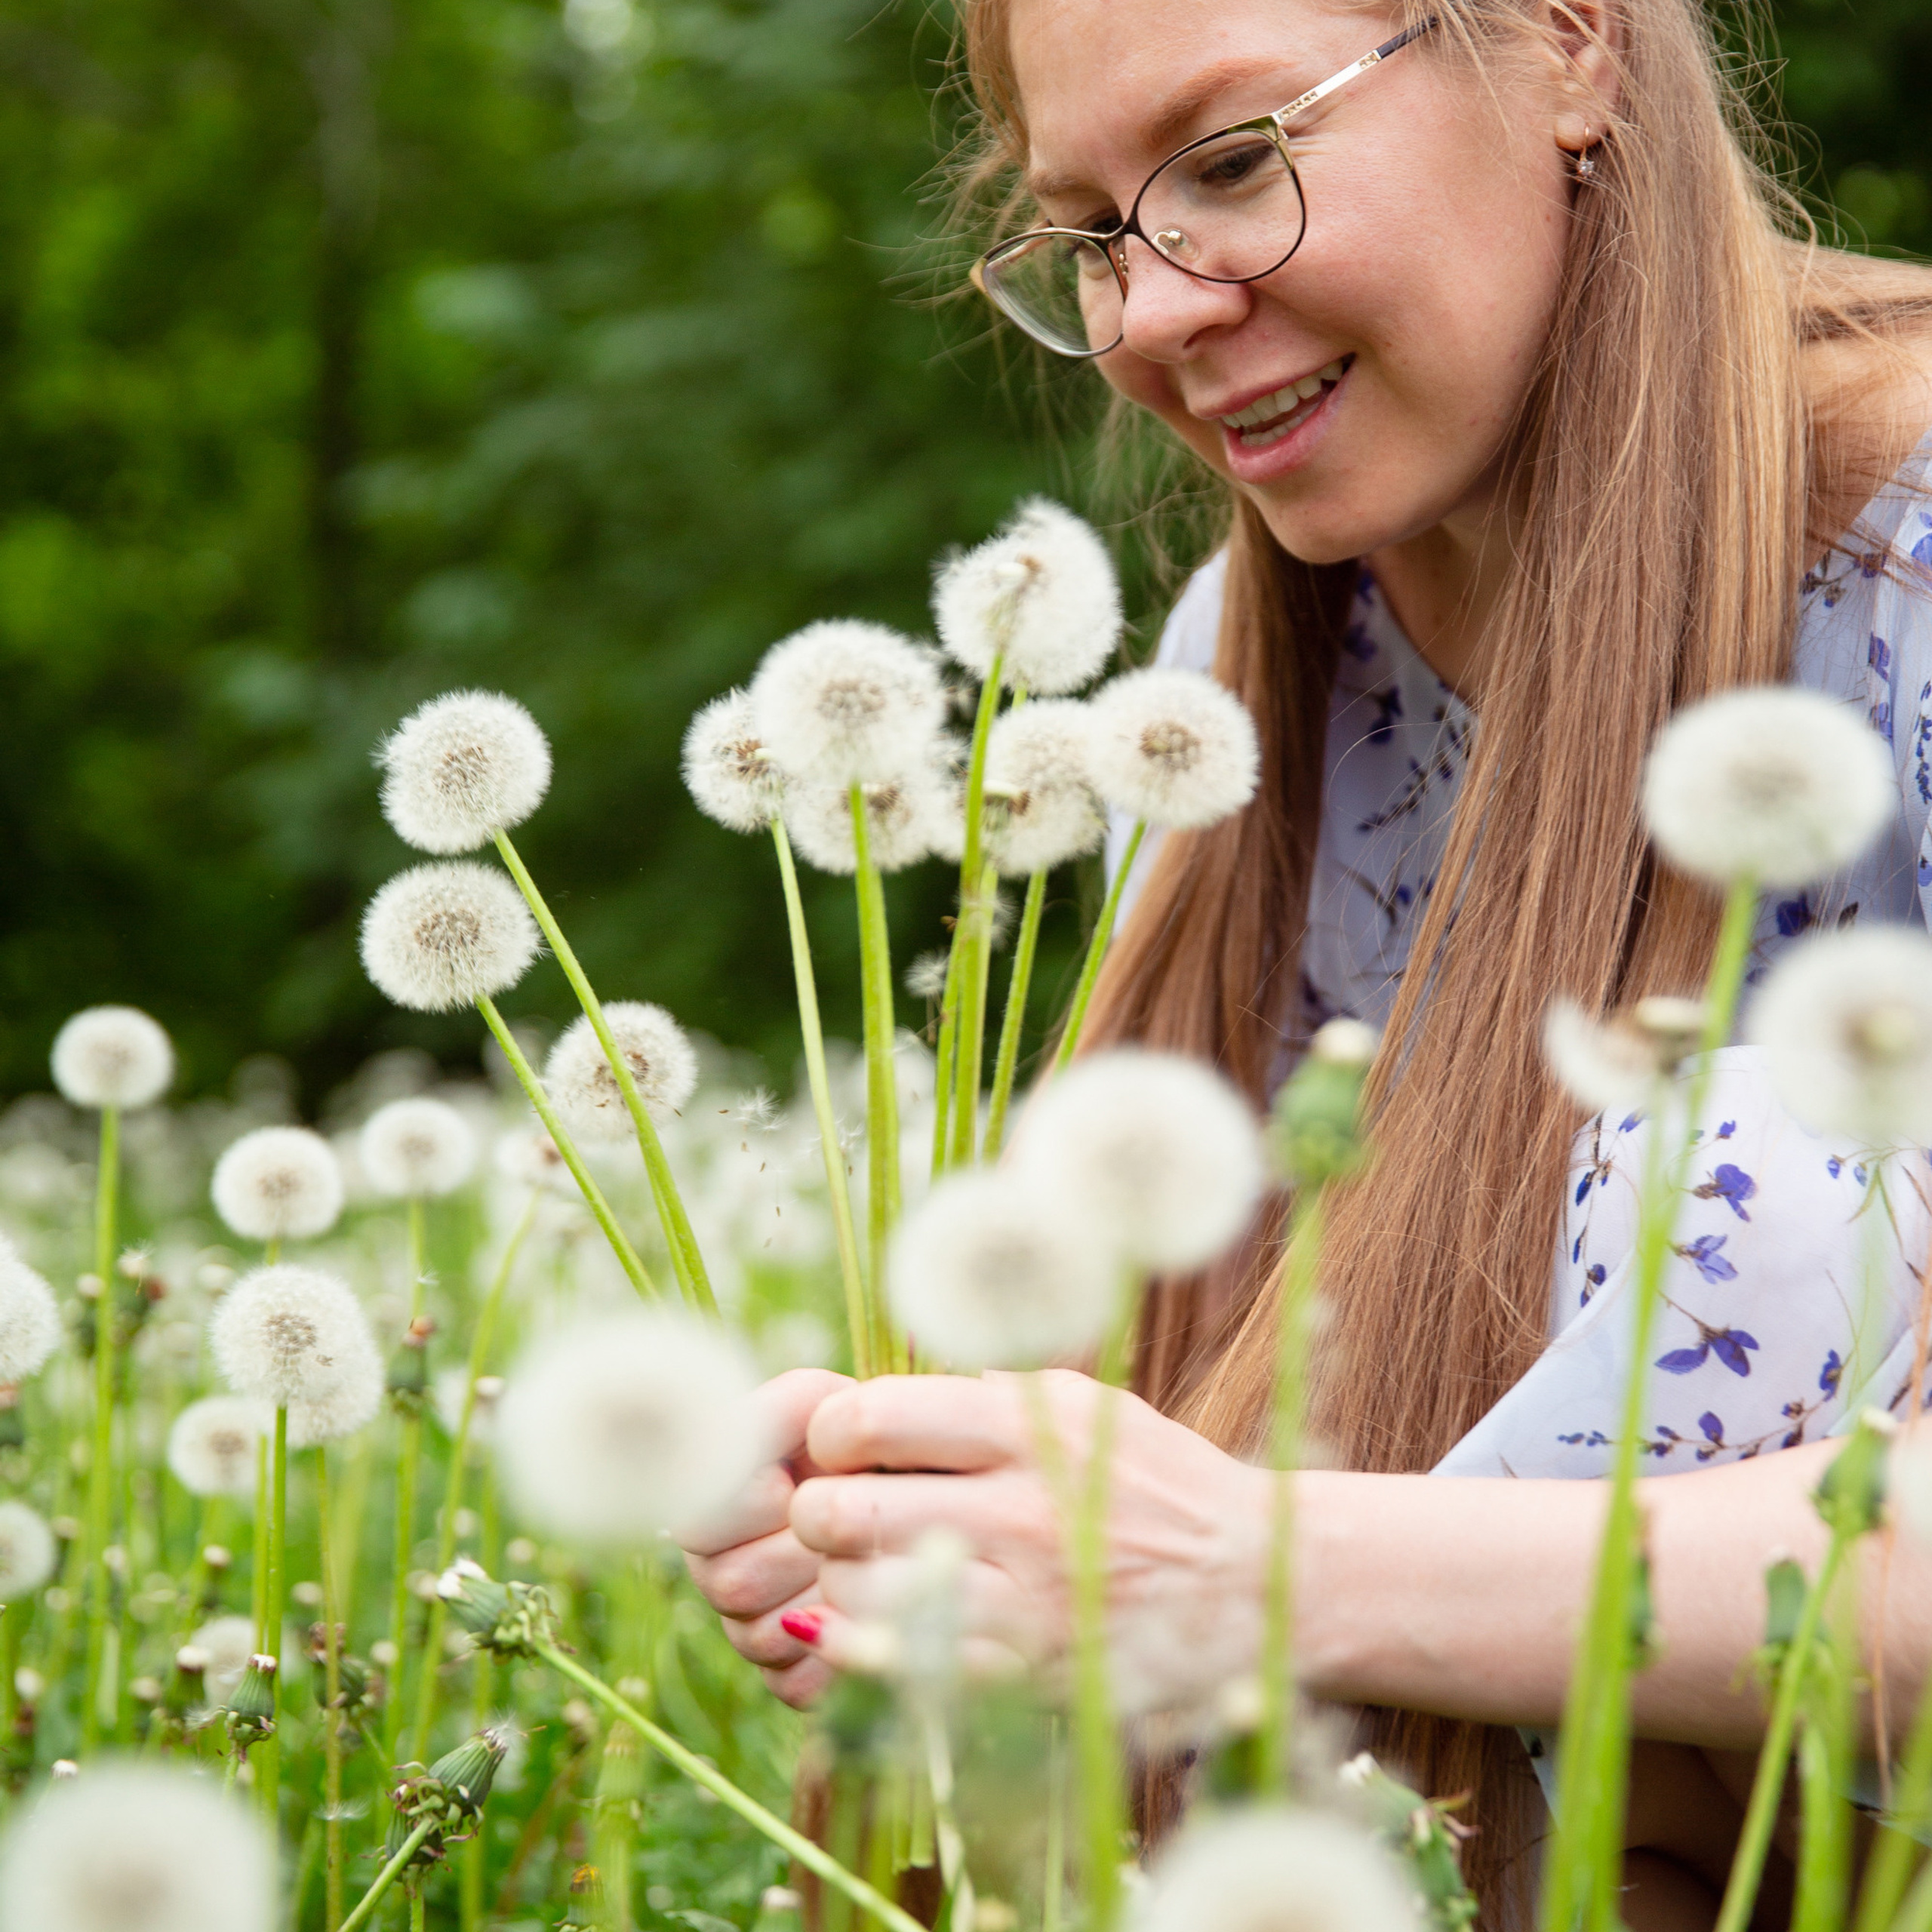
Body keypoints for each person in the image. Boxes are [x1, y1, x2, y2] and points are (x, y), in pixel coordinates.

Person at [685, 0, 1932, 1922]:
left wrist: (1243, 1564)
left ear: (1570, 44)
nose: (1151, 315)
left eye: (1233, 162)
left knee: (1750, 1187)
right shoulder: (1239, 668)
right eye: (1092, 235)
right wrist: (944, 1535)